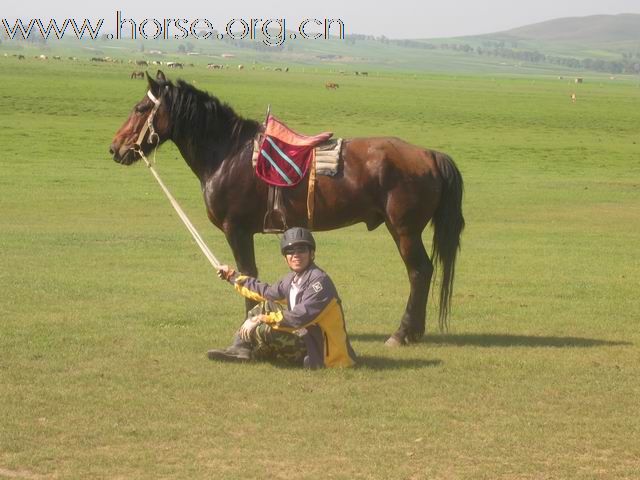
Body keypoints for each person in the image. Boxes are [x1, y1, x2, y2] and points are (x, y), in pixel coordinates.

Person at [207, 227, 356, 368]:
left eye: (302, 249)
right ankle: (240, 349)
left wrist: (261, 319)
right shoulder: (292, 279)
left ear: (312, 253)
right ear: (285, 258)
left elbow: (298, 317)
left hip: (324, 355)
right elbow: (264, 293)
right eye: (290, 251)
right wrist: (232, 276)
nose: (296, 255)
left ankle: (258, 352)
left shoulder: (320, 283)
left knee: (264, 329)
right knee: (264, 306)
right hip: (307, 337)